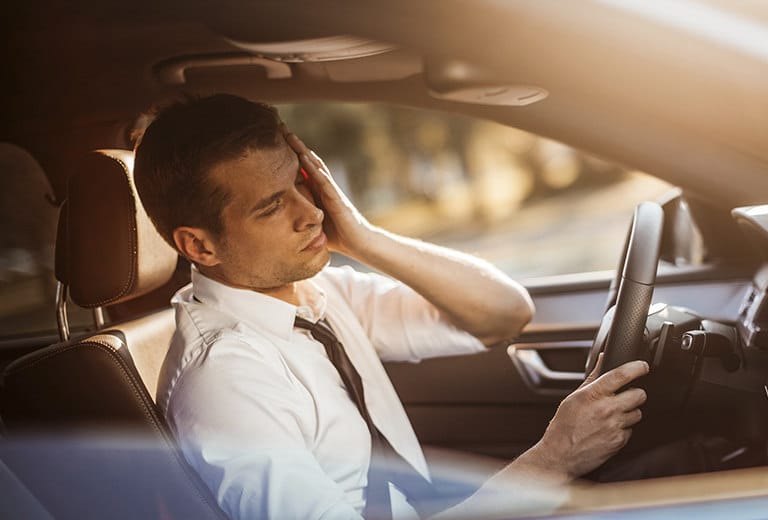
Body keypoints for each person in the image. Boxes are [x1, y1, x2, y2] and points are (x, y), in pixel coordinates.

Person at [133, 94, 648, 519]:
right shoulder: (226, 380)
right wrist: (552, 461)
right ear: (200, 246)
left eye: (302, 183)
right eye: (271, 206)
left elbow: (503, 312)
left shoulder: (316, 296)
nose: (310, 213)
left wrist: (364, 239)